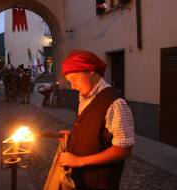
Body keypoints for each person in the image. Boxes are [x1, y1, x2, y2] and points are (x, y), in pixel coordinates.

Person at [58, 49, 135, 190]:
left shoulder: (115, 103)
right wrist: (74, 135)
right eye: (69, 82)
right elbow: (95, 128)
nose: (72, 86)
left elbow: (123, 150)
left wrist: (79, 161)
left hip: (99, 182)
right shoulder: (84, 96)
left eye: (74, 79)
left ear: (91, 70)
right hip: (80, 180)